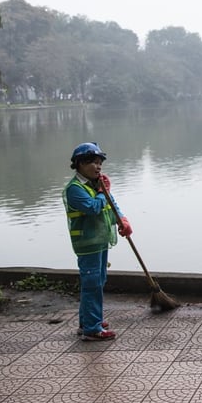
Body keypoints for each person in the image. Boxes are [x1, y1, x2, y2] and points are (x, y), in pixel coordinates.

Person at [63, 142, 132, 341]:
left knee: (97, 280)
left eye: (99, 162)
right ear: (80, 164)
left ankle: (88, 321)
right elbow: (93, 207)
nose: (98, 166)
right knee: (92, 282)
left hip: (100, 239)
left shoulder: (96, 185)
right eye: (92, 162)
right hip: (87, 243)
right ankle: (92, 329)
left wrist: (122, 220)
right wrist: (104, 192)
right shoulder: (74, 189)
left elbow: (111, 204)